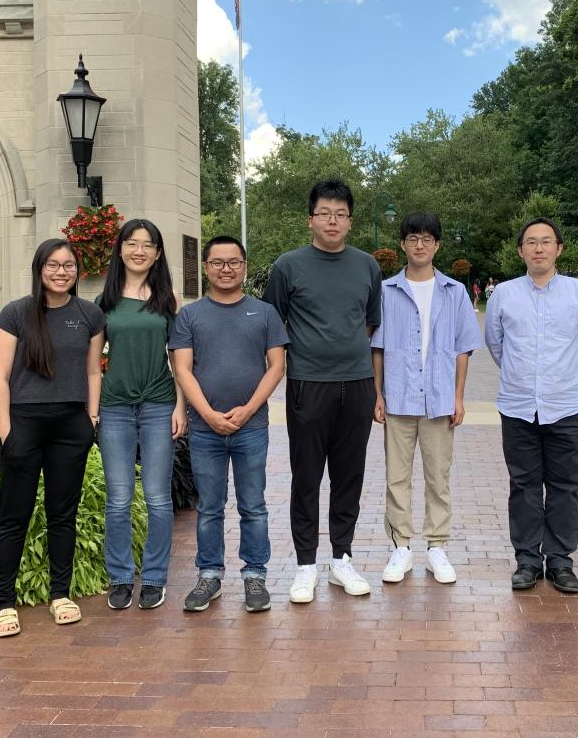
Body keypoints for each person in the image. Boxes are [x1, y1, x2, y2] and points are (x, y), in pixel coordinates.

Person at [264, 179, 382, 602]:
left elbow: (369, 322)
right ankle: (305, 564)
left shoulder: (367, 265)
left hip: (357, 384)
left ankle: (342, 559)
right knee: (307, 476)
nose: (332, 221)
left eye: (341, 214)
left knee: (349, 475)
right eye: (324, 213)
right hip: (307, 385)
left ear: (350, 221)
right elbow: (272, 324)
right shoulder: (288, 266)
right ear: (310, 218)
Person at [0, 238, 105, 637]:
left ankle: (61, 594)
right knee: (13, 516)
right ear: (40, 269)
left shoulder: (89, 314)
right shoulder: (16, 314)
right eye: (53, 265)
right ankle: (3, 602)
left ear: (78, 270)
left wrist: (90, 419)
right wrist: (6, 431)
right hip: (24, 424)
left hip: (70, 426)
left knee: (62, 515)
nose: (61, 272)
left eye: (69, 265)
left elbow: (93, 371)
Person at [484, 217, 578, 593]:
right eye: (531, 242)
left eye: (546, 241)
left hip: (565, 405)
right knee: (524, 484)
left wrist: (558, 374)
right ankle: (527, 560)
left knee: (566, 485)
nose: (539, 248)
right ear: (520, 250)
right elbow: (496, 343)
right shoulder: (503, 294)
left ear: (559, 249)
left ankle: (561, 561)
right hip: (518, 406)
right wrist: (524, 375)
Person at [170, 236, 288, 612]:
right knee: (209, 507)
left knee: (253, 505)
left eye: (233, 262)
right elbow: (183, 369)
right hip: (205, 430)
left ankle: (255, 575)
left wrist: (248, 409)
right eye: (218, 262)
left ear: (244, 266)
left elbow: (277, 367)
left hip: (251, 427)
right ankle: (209, 576)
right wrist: (205, 414)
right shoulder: (189, 316)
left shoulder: (265, 313)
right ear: (206, 267)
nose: (226, 269)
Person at [371, 211, 483, 585]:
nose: (420, 244)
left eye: (427, 238)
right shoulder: (386, 291)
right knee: (396, 477)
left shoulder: (454, 292)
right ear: (403, 244)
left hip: (438, 399)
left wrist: (459, 397)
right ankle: (400, 547)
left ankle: (437, 546)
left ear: (437, 244)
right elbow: (378, 347)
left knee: (439, 477)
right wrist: (377, 394)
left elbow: (463, 348)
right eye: (413, 238)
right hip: (399, 398)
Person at [96, 219, 186, 613]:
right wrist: (92, 411)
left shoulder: (169, 299)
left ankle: (153, 578)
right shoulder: (106, 302)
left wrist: (181, 406)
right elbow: (91, 362)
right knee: (118, 498)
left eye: (147, 245)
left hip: (158, 406)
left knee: (157, 498)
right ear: (120, 250)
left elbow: (179, 360)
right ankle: (119, 578)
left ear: (157, 253)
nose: (139, 250)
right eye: (131, 243)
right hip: (114, 407)